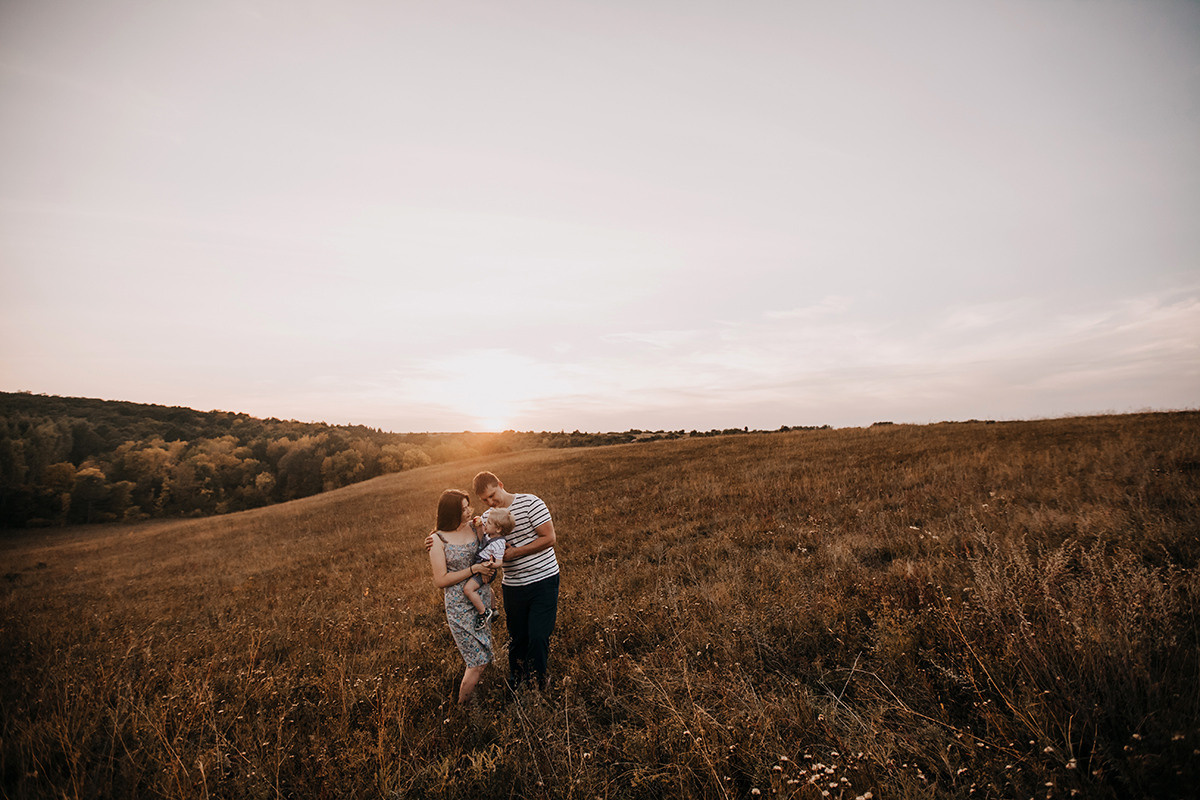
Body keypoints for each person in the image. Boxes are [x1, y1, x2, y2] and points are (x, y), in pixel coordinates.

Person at [426, 471, 559, 691]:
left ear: (500, 484)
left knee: (537, 637)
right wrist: (431, 541)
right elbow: (457, 534)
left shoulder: (531, 503)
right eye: (484, 500)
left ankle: (538, 684)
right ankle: (517, 684)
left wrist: (514, 553)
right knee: (517, 639)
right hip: (514, 585)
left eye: (492, 495)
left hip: (543, 579)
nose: (490, 502)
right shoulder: (487, 518)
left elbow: (550, 538)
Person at [427, 488, 501, 704]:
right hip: (460, 607)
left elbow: (499, 526)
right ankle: (463, 710)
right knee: (476, 662)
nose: (469, 510)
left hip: (481, 598)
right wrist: (473, 570)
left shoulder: (475, 526)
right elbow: (440, 580)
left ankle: (478, 696)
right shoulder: (437, 540)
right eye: (463, 509)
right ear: (450, 512)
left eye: (468, 505)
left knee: (484, 658)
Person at [463, 508, 514, 629]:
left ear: (498, 529)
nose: (486, 524)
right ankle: (493, 608)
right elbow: (481, 539)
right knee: (486, 587)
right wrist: (479, 525)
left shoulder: (499, 544)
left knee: (468, 589)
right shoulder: (490, 534)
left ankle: (483, 613)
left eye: (489, 523)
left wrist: (491, 565)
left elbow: (499, 562)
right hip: (481, 566)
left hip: (486, 569)